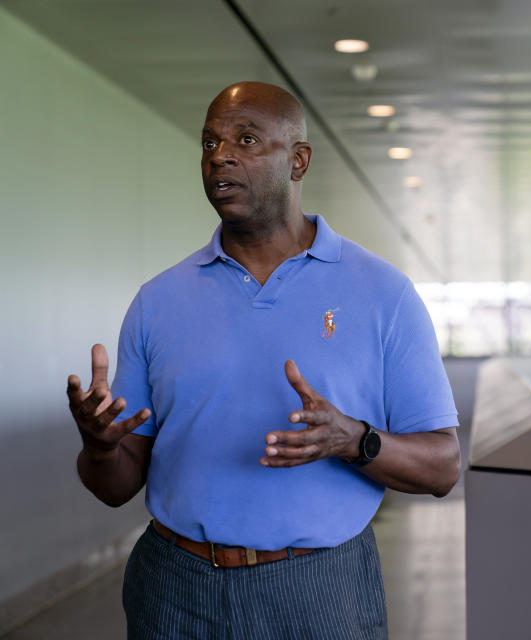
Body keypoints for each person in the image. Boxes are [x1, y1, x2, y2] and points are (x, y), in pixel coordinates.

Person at [65, 81, 461, 639]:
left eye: (246, 139)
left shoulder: (382, 293)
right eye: (208, 143)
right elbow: (114, 485)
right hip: (173, 589)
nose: (219, 155)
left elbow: (444, 466)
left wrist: (353, 439)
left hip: (319, 591)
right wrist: (99, 446)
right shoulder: (159, 301)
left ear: (298, 161)